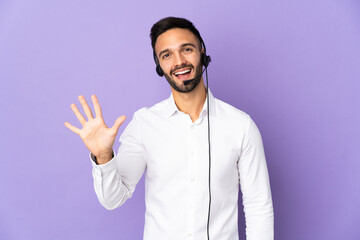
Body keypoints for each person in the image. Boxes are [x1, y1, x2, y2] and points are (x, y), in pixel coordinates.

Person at [65, 17, 274, 240]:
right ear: (159, 65)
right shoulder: (144, 123)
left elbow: (258, 206)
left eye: (186, 49)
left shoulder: (241, 126)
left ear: (202, 52)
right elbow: (113, 199)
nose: (179, 61)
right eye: (167, 55)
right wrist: (104, 156)